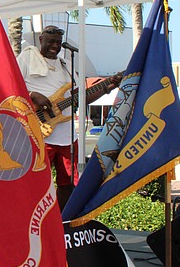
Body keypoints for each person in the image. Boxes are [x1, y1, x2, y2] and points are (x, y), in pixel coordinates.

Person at [17, 25, 119, 208]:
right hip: (40, 133)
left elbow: (80, 98)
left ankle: (62, 219)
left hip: (67, 136)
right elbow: (11, 84)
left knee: (69, 182)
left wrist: (107, 87)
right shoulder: (27, 58)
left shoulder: (67, 65)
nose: (55, 46)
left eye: (58, 42)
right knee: (38, 182)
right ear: (41, 40)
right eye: (51, 41)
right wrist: (33, 95)